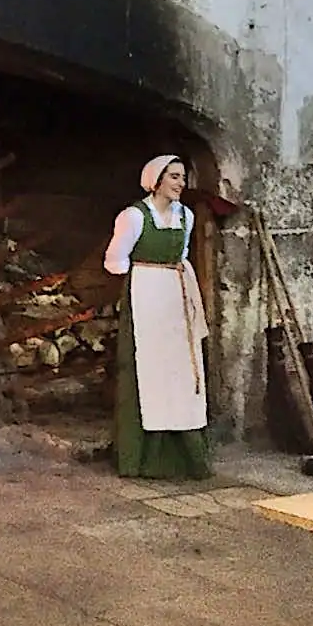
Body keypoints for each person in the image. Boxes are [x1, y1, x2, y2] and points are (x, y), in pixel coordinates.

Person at [103, 155, 211, 480]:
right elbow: (114, 261)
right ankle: (143, 458)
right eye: (175, 177)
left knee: (178, 371)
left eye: (182, 177)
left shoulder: (185, 216)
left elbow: (182, 256)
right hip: (145, 296)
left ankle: (185, 456)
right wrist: (144, 280)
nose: (181, 183)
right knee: (147, 370)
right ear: (157, 179)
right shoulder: (134, 217)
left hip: (175, 299)